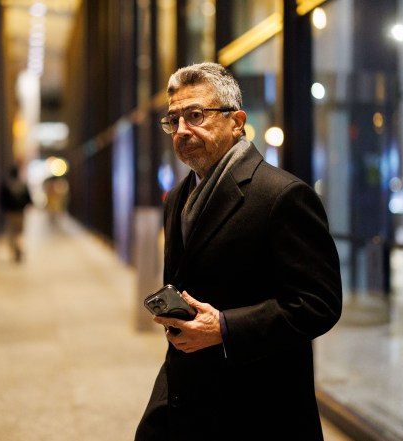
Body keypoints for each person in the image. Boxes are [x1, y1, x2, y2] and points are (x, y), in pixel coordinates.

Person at [134, 62, 343, 441]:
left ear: (236, 121)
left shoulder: (282, 196)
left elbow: (319, 304)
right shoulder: (179, 196)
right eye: (173, 120)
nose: (182, 130)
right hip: (185, 393)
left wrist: (225, 328)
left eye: (196, 115)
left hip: (258, 409)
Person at [0, 164, 33, 262]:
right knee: (19, 234)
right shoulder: (22, 185)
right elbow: (29, 199)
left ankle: (16, 250)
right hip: (20, 213)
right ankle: (19, 249)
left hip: (11, 213)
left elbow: (2, 200)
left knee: (11, 234)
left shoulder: (6, 185)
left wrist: (5, 209)